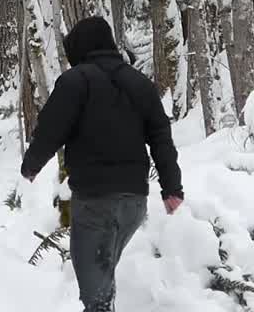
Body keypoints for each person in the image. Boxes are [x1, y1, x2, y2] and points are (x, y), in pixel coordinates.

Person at [20, 16, 184, 312]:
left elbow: (51, 128)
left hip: (96, 201)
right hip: (134, 202)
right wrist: (172, 188)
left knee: (96, 296)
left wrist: (31, 165)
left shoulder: (75, 81)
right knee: (103, 278)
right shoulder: (140, 84)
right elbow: (161, 137)